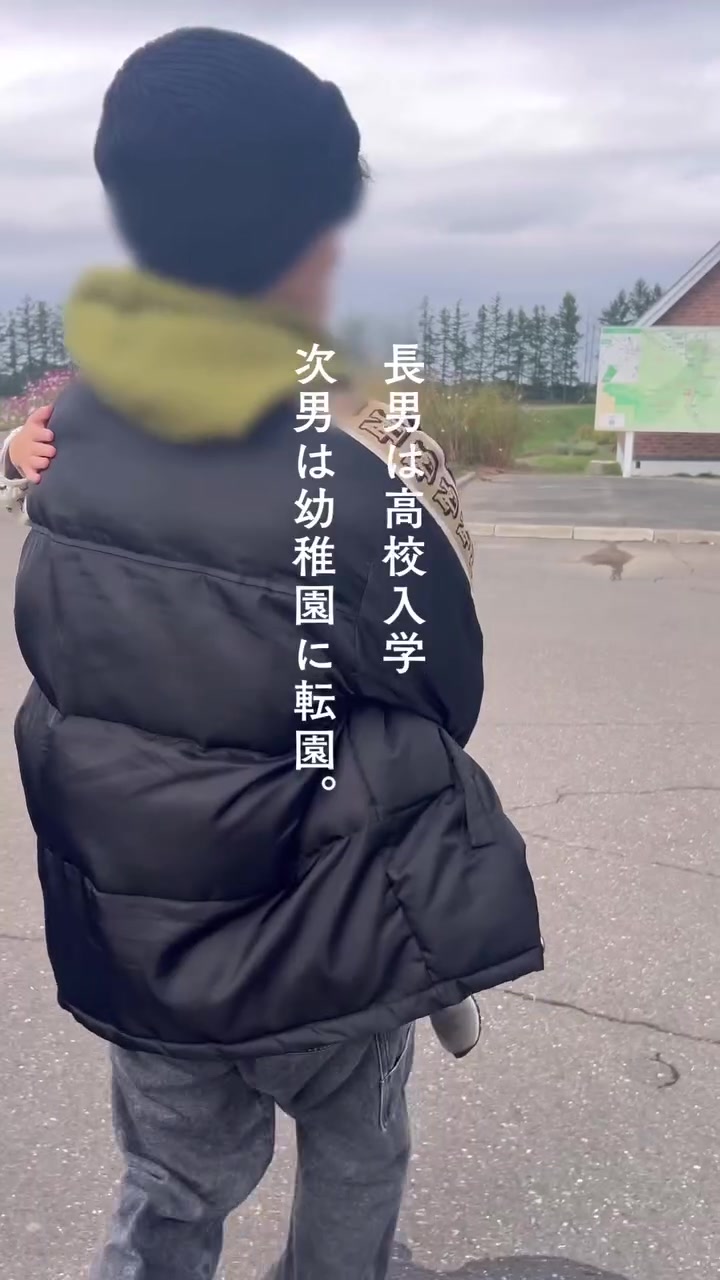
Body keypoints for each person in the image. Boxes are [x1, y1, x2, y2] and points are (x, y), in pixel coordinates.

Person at [4, 27, 543, 1280]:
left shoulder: (70, 437)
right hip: (325, 922)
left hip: (138, 927)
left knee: (169, 1181)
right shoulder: (358, 459)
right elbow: (439, 687)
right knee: (357, 1147)